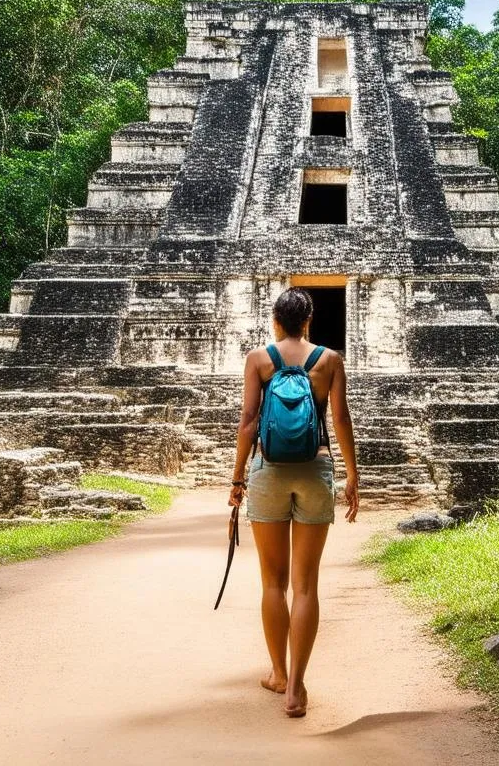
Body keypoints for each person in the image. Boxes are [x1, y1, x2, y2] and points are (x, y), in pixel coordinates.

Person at [228, 286, 360, 719]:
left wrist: (236, 478)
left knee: (273, 583)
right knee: (306, 585)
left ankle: (278, 673)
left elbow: (248, 421)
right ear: (308, 320)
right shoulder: (329, 360)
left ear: (275, 320)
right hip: (315, 469)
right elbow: (339, 419)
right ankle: (298, 688)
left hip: (268, 471)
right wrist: (353, 476)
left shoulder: (259, 359)